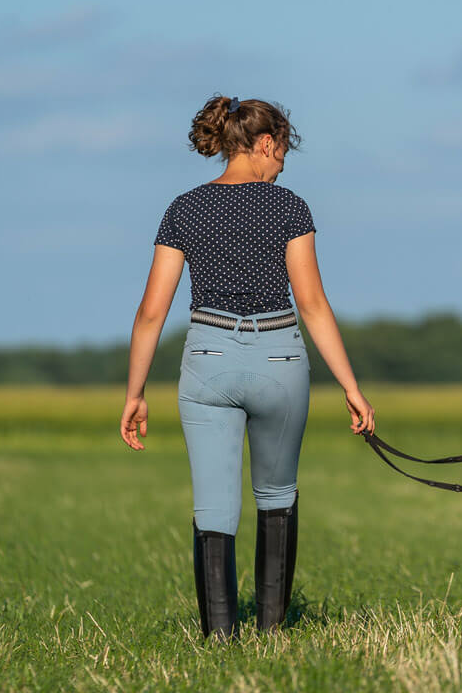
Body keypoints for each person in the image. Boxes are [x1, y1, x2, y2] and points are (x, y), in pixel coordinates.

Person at [119, 94, 375, 639]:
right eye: (282, 154)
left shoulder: (184, 208)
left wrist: (135, 392)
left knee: (213, 506)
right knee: (277, 496)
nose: (282, 167)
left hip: (207, 359)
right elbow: (311, 304)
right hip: (280, 356)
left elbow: (150, 312)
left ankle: (218, 638)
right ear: (264, 144)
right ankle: (272, 634)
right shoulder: (288, 208)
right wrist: (351, 387)